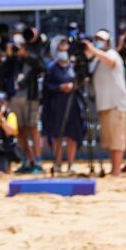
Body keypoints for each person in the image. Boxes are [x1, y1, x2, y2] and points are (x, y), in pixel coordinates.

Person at [83, 30, 126, 176]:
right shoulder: (96, 60)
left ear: (108, 42)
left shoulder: (111, 54)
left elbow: (110, 61)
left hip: (117, 104)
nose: (98, 41)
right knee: (110, 140)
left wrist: (92, 50)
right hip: (105, 105)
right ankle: (114, 168)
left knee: (117, 139)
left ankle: (116, 170)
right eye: (96, 39)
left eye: (101, 39)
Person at [41, 39, 85, 175]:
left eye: (65, 49)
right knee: (57, 135)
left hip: (72, 106)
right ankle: (57, 163)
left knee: (72, 135)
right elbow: (46, 86)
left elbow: (81, 82)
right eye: (61, 50)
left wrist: (75, 86)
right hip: (56, 106)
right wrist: (59, 87)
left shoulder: (74, 67)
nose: (63, 52)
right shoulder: (52, 68)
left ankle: (71, 164)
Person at [7, 28, 46, 173]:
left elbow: (41, 67)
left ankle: (38, 161)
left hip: (31, 96)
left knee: (33, 128)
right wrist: (11, 56)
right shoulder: (14, 58)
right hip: (15, 96)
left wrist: (27, 55)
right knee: (20, 130)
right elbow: (6, 72)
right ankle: (27, 160)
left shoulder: (34, 53)